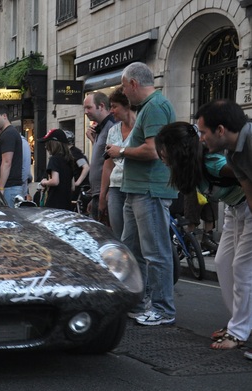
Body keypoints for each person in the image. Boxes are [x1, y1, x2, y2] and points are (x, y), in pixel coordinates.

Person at [155, 121, 247, 350]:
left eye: (163, 150)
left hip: (249, 208)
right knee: (223, 262)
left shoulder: (213, 163)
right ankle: (241, 322)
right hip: (234, 211)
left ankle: (238, 331)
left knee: (243, 268)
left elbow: (246, 171)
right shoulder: (192, 168)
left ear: (178, 150)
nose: (160, 156)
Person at [106, 61, 177, 326]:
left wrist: (120, 151)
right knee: (132, 251)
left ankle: (162, 309)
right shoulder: (149, 107)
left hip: (149, 189)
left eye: (124, 87)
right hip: (136, 188)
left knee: (156, 252)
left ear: (134, 84)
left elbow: (153, 150)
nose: (124, 93)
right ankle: (139, 303)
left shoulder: (156, 107)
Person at [194, 99, 252, 360]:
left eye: (203, 132)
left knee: (242, 267)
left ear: (220, 129)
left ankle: (240, 331)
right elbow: (248, 188)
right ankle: (240, 327)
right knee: (230, 263)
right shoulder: (232, 152)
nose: (201, 138)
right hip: (244, 209)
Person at [101, 87, 136, 239]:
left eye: (115, 106)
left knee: (133, 236)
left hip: (134, 186)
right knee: (118, 233)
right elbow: (108, 165)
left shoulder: (140, 128)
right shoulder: (113, 131)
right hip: (115, 187)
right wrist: (103, 194)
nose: (112, 111)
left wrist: (121, 150)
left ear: (127, 105)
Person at [84, 91, 114, 221]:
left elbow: (111, 162)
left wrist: (103, 196)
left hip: (105, 194)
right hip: (98, 194)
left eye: (88, 107)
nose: (86, 112)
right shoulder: (101, 128)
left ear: (101, 106)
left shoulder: (111, 127)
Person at [0, 105, 23, 208]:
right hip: (9, 187)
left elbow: (6, 162)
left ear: (4, 116)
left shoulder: (9, 134)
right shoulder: (7, 133)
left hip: (9, 187)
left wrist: (1, 188)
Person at [38, 129, 75, 210]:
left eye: (47, 143)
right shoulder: (69, 160)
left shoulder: (54, 159)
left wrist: (44, 182)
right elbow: (73, 187)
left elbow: (55, 181)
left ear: (53, 144)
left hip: (54, 203)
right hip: (66, 203)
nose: (45, 147)